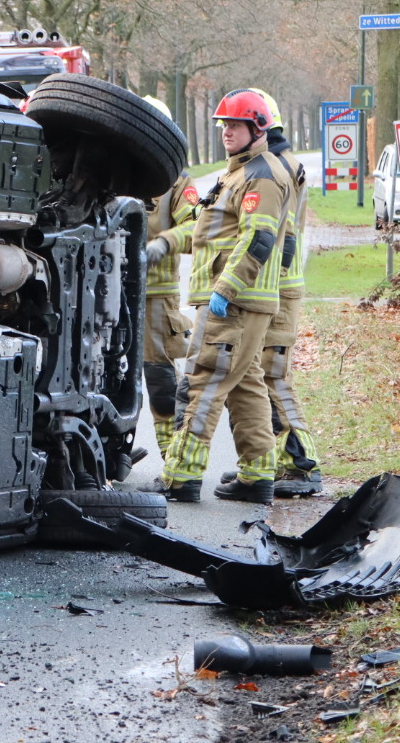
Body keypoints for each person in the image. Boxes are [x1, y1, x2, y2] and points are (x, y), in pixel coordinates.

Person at [159, 89, 294, 505]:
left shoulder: (261, 175)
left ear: (258, 128)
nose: (225, 132)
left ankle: (180, 475)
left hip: (233, 303)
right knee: (246, 385)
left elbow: (260, 236)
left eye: (234, 125)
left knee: (203, 382)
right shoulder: (240, 171)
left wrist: (225, 289)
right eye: (223, 125)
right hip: (242, 303)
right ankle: (257, 475)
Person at [241, 90, 323, 497]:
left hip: (280, 285)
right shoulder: (280, 163)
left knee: (273, 375)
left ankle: (303, 463)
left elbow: (277, 234)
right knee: (260, 375)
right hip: (276, 283)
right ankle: (275, 462)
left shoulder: (277, 168)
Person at [141, 96, 198, 455]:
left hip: (155, 299)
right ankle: (111, 450)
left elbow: (198, 229)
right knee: (104, 376)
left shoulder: (177, 183)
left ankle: (172, 454)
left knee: (159, 378)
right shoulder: (114, 176)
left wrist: (163, 243)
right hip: (105, 294)